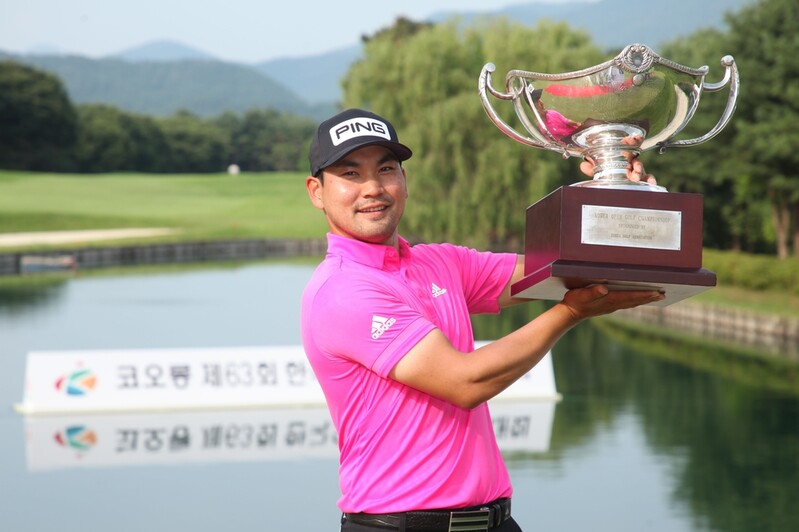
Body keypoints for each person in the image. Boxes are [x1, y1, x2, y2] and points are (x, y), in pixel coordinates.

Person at [301, 108, 664, 532]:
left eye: (386, 169)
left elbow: (572, 271)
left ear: (403, 180)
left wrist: (618, 194)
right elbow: (463, 382)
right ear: (317, 192)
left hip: (494, 521)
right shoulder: (342, 291)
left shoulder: (440, 263)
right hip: (396, 526)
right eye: (350, 174)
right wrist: (568, 313)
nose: (373, 188)